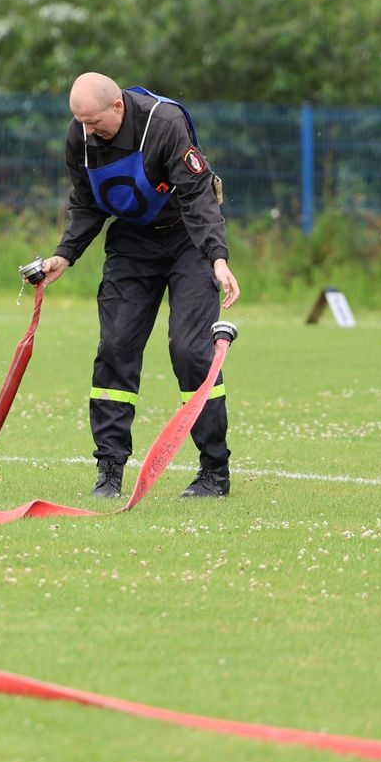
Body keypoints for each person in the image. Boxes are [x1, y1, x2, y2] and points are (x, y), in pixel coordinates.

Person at [36, 72, 241, 498]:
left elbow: (198, 196)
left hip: (187, 240)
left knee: (189, 351)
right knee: (115, 348)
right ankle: (109, 470)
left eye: (93, 122)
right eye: (80, 123)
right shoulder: (81, 137)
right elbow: (86, 203)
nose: (87, 131)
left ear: (118, 107)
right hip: (132, 245)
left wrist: (217, 258)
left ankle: (213, 471)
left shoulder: (163, 124)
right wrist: (64, 254)